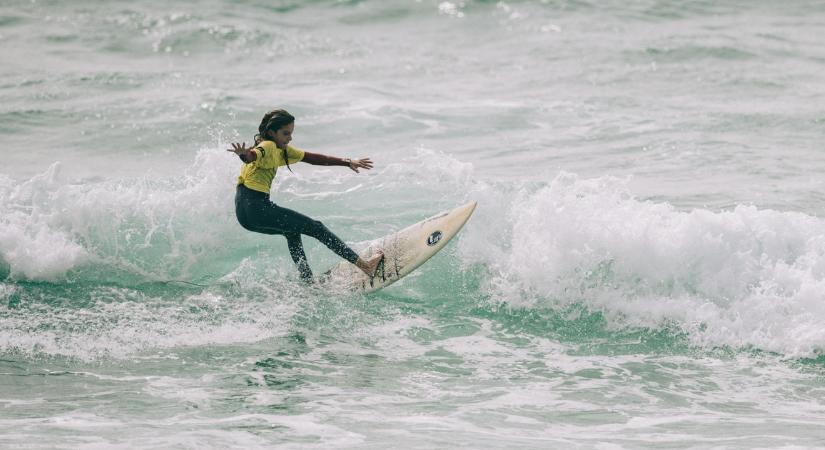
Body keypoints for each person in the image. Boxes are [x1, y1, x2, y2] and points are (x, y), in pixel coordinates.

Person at [227, 108, 383, 282]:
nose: (290, 138)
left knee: (292, 231)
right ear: (272, 132)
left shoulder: (281, 149)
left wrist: (346, 162)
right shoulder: (268, 145)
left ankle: (307, 280)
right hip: (256, 207)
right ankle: (366, 266)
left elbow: (310, 157)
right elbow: (253, 155)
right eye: (286, 133)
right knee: (317, 227)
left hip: (244, 214)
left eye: (291, 133)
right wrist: (244, 155)